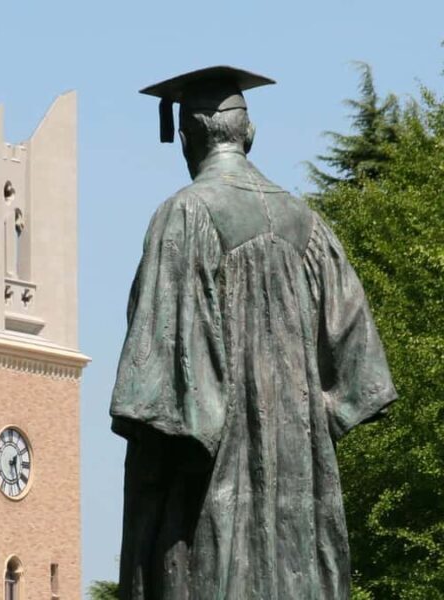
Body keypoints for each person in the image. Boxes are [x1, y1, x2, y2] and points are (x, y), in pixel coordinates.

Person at [110, 66, 397, 599]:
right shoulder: (310, 226)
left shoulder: (184, 215)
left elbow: (157, 399)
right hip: (301, 502)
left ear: (189, 134)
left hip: (209, 500)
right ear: (250, 134)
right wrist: (301, 423)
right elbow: (363, 379)